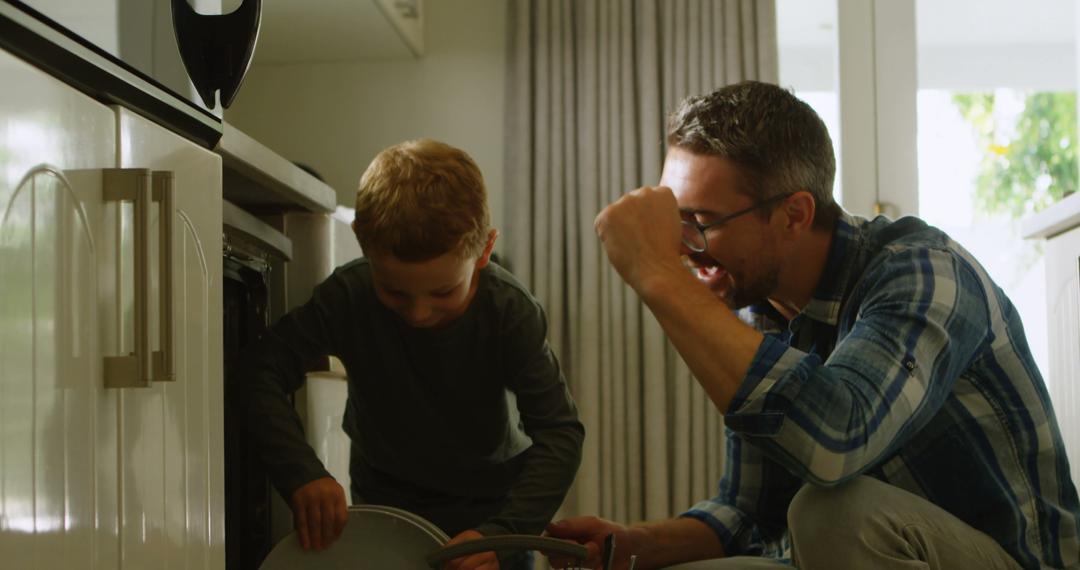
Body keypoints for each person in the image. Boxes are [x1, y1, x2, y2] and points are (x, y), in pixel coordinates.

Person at [545, 81, 1080, 569]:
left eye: (700, 223)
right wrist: (633, 544)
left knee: (831, 511)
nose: (683, 246)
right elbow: (749, 511)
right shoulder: (760, 309)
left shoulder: (925, 272)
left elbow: (837, 445)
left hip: (1012, 560)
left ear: (795, 215)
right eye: (672, 218)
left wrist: (658, 276)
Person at [234, 138, 585, 570]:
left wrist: (503, 533)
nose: (419, 313)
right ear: (363, 243)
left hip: (493, 515)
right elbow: (260, 370)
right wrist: (301, 472)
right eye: (395, 292)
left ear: (485, 250)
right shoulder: (348, 295)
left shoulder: (509, 310)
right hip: (383, 510)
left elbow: (560, 434)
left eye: (443, 291)